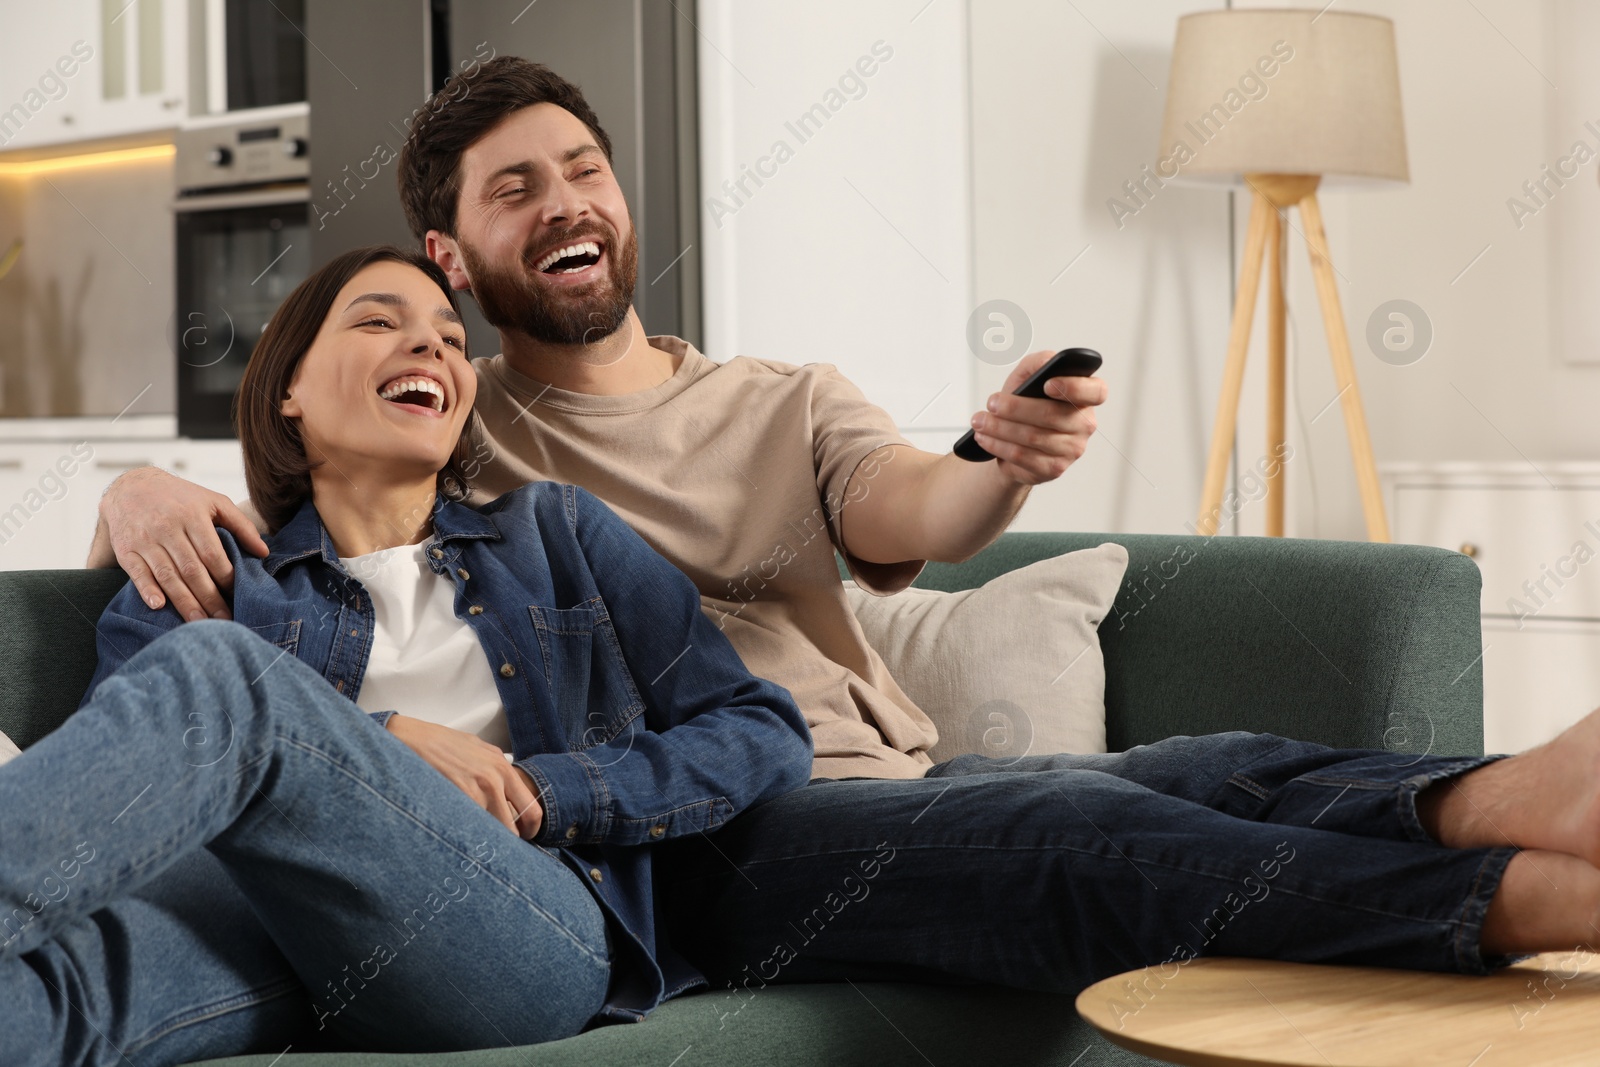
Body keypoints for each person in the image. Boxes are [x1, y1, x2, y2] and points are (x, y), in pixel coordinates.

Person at [91, 58, 1600, 1006]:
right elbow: (308, 470)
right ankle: (1536, 901)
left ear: (622, 200)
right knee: (1071, 833)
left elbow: (917, 510)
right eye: (515, 188)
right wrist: (132, 489)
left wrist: (997, 462)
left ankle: (1520, 791)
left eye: (586, 169)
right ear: (456, 255)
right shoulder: (457, 420)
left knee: (1211, 769)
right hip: (716, 829)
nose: (569, 201)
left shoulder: (778, 395)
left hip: (883, 770)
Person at [3, 245, 812, 1065]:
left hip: (520, 931)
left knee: (227, 676)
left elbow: (761, 727)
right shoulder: (207, 571)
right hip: (266, 934)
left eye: (451, 340)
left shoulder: (556, 533)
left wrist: (543, 789)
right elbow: (128, 799)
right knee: (35, 1004)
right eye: (379, 321)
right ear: (290, 389)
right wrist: (380, 740)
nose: (432, 347)